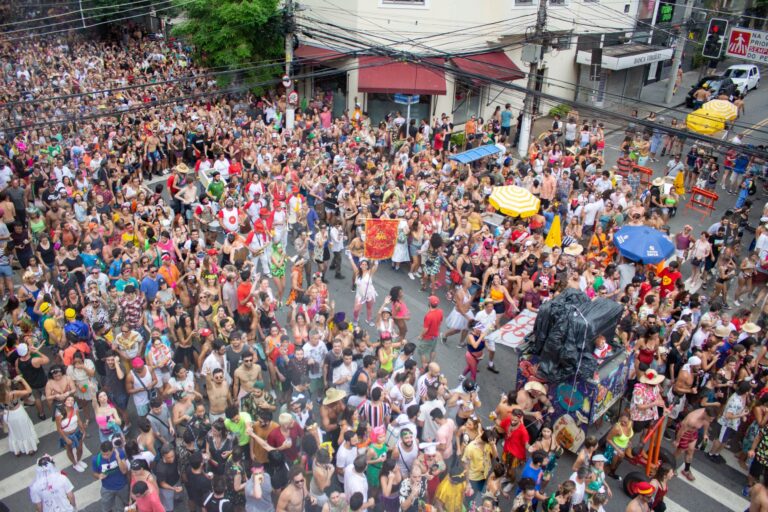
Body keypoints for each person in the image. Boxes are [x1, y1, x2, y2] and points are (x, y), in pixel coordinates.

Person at [674, 406, 718, 481]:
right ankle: (671, 466)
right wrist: (677, 441)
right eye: (710, 419)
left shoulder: (707, 416)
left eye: (712, 419)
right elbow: (681, 430)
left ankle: (686, 470)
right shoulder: (692, 420)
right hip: (684, 432)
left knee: (691, 450)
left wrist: (705, 434)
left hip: (693, 432)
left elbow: (706, 424)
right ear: (705, 414)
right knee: (680, 451)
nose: (711, 421)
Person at [92, 440, 130, 512]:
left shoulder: (120, 453)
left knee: (127, 503)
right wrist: (99, 476)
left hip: (122, 486)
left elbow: (124, 471)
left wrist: (118, 458)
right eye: (103, 454)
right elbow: (94, 473)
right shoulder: (96, 459)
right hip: (107, 488)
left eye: (107, 454)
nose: (105, 456)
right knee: (106, 507)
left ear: (112, 450)